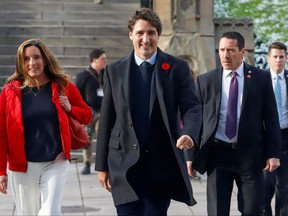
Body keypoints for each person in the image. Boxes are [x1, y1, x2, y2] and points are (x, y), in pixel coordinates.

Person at [95, 7, 202, 215]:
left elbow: (192, 107)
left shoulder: (176, 67)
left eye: (151, 33)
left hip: (161, 165)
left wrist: (188, 133)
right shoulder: (114, 70)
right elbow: (107, 118)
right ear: (131, 35)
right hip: (123, 164)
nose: (146, 39)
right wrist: (101, 165)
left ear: (158, 35)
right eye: (140, 33)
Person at [191, 31, 281, 216]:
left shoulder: (260, 79)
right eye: (222, 50)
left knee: (253, 210)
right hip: (218, 155)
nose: (225, 55)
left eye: (231, 50)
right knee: (217, 211)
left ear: (242, 52)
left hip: (250, 156)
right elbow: (196, 119)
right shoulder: (205, 80)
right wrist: (189, 155)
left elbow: (271, 119)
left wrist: (272, 153)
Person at [0, 38, 92, 215]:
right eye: (26, 59)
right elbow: (1, 132)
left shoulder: (63, 86)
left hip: (55, 161)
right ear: (21, 63)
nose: (32, 63)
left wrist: (70, 108)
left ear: (45, 59)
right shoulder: (10, 92)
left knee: (50, 212)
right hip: (23, 165)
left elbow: (87, 116)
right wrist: (1, 170)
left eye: (36, 57)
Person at [261, 42, 288, 216]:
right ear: (268, 58)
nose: (278, 60)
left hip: (286, 138)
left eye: (281, 57)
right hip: (264, 140)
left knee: (285, 188)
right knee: (264, 188)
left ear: (286, 59)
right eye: (275, 56)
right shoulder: (259, 80)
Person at [75, 48, 106, 175]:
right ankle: (87, 163)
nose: (105, 61)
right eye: (102, 59)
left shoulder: (107, 75)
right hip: (89, 113)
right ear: (94, 60)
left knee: (103, 138)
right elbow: (76, 95)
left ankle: (103, 164)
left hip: (104, 112)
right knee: (87, 138)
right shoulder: (84, 76)